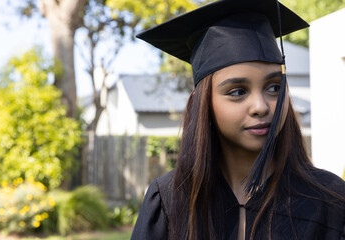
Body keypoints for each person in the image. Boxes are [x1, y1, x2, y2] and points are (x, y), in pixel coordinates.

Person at [131, 0, 345, 239]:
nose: (261, 106)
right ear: (203, 104)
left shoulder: (330, 202)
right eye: (237, 92)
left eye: (274, 88)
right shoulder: (170, 202)